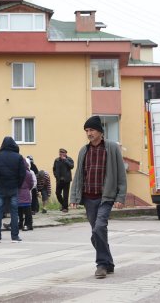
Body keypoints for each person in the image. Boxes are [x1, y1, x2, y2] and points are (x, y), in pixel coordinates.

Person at [70, 116, 127, 279]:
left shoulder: (112, 148)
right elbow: (79, 175)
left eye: (92, 130)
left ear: (100, 132)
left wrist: (120, 197)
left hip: (106, 197)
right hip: (89, 198)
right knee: (98, 233)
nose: (89, 133)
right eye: (87, 131)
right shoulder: (84, 150)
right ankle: (108, 262)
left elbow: (121, 175)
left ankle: (101, 265)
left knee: (99, 228)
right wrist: (74, 197)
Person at [0, 136, 26, 243]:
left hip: (0, 187)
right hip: (13, 187)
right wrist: (18, 185)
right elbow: (22, 174)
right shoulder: (18, 157)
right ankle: (14, 236)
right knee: (14, 212)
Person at [18, 158, 37, 231]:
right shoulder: (28, 173)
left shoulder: (16, 173)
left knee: (19, 211)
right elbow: (31, 183)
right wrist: (27, 189)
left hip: (18, 193)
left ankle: (20, 223)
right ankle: (28, 224)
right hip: (26, 193)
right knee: (27, 211)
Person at [53, 147, 74, 212]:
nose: (61, 153)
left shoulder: (69, 159)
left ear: (65, 153)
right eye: (60, 152)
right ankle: (64, 205)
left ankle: (65, 208)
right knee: (57, 193)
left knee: (65, 194)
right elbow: (54, 169)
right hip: (59, 180)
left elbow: (72, 166)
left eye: (62, 152)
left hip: (66, 180)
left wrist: (65, 160)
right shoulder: (57, 160)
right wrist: (56, 175)